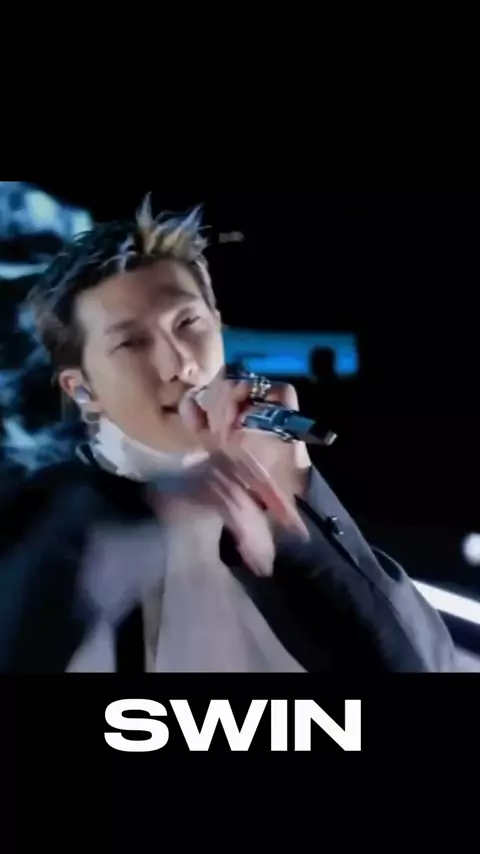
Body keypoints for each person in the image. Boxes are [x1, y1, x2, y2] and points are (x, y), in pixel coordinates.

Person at [0, 196, 455, 672]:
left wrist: (295, 492)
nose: (181, 364)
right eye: (132, 342)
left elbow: (419, 665)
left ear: (218, 327)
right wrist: (143, 517)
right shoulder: (43, 521)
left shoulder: (283, 489)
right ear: (82, 389)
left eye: (188, 323)